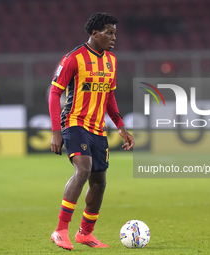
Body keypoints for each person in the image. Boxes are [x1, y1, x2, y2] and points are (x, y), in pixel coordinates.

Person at [48, 13, 134, 250]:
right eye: (109, 32)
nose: (114, 37)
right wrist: (56, 131)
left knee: (99, 182)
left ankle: (85, 233)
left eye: (115, 32)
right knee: (83, 169)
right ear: (95, 33)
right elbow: (55, 93)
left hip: (98, 128)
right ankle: (60, 230)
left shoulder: (111, 61)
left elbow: (109, 96)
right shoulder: (73, 58)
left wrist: (121, 126)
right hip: (74, 122)